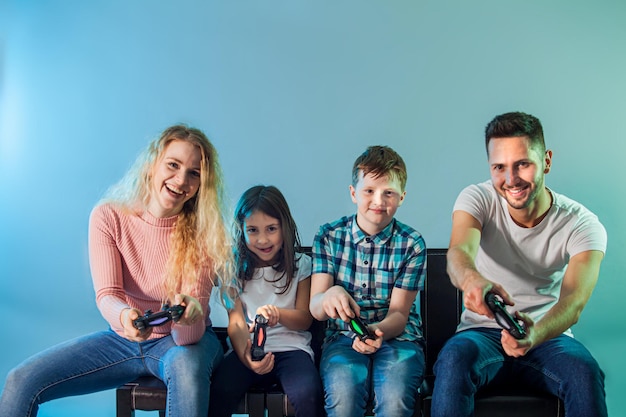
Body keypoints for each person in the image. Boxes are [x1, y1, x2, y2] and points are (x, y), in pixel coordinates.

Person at [0, 125, 234, 417]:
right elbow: (108, 294)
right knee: (20, 381)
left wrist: (189, 314)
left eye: (194, 173)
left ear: (202, 185)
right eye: (173, 165)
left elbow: (187, 338)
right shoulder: (108, 216)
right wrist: (126, 317)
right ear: (152, 165)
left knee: (186, 369)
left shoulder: (204, 234)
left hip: (181, 342)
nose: (180, 179)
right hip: (122, 339)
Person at [431, 111, 607, 417]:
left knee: (584, 372)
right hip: (482, 333)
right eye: (499, 167)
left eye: (522, 164)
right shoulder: (478, 198)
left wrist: (536, 334)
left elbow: (574, 303)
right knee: (453, 360)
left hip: (547, 336)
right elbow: (458, 253)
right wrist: (473, 280)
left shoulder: (582, 224)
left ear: (547, 161)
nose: (511, 180)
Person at [309, 145, 426, 417]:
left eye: (389, 193)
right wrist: (329, 296)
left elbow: (399, 314)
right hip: (342, 337)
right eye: (369, 191)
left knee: (396, 399)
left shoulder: (412, 244)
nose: (378, 201)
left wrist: (376, 331)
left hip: (398, 337)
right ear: (353, 194)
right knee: (343, 395)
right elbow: (315, 307)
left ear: (402, 197)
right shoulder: (328, 236)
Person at [208, 185, 324, 417]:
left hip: (292, 350)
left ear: (285, 227)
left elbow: (304, 319)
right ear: (241, 230)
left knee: (308, 393)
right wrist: (246, 356)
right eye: (253, 230)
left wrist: (278, 314)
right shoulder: (231, 269)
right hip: (247, 348)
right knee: (219, 391)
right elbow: (236, 321)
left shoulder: (302, 265)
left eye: (271, 229)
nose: (262, 239)